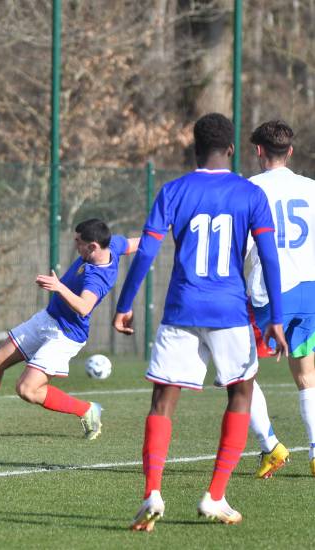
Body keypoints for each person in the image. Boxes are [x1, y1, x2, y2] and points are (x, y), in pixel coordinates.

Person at [114, 113, 289, 532]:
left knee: (162, 401)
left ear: (194, 150)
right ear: (231, 149)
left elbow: (146, 255)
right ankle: (214, 496)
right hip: (229, 311)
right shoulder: (250, 194)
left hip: (181, 310)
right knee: (241, 395)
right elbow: (269, 258)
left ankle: (152, 492)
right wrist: (276, 319)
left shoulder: (173, 190)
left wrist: (124, 303)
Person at [0, 218, 138, 440]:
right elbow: (138, 242)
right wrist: (167, 228)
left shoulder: (97, 276)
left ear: (93, 247)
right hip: (48, 318)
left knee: (27, 390)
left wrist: (59, 287)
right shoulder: (113, 244)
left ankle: (88, 410)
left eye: (78, 242)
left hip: (66, 334)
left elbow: (84, 307)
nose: (75, 245)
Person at [245, 120, 315, 479]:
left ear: (258, 151)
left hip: (268, 293)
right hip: (309, 290)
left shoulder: (249, 189)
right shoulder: (312, 189)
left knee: (240, 375)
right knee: (306, 374)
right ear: (289, 152)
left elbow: (241, 247)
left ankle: (270, 445)